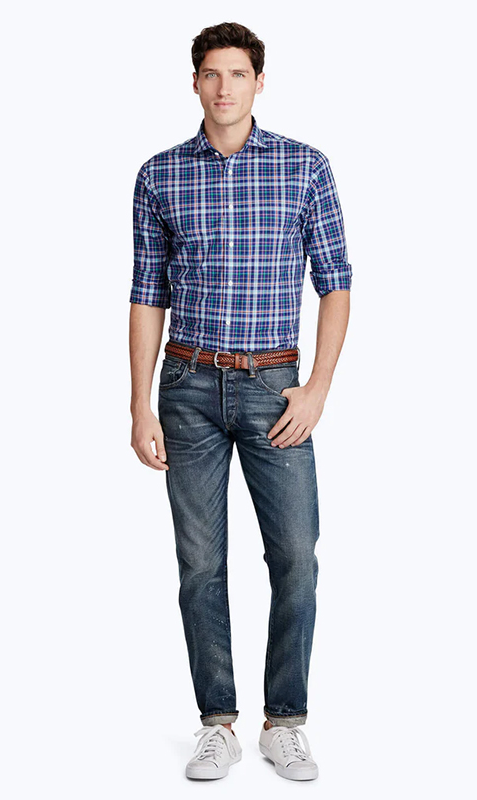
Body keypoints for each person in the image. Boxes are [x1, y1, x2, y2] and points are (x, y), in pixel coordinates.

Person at [129, 22, 351, 781]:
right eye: (211, 74)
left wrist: (316, 389)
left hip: (273, 388)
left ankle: (284, 720)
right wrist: (139, 404)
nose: (224, 88)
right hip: (187, 387)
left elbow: (336, 283)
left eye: (238, 74)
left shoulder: (304, 167)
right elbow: (146, 295)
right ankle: (216, 722)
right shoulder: (159, 175)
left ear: (260, 82)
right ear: (195, 82)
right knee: (200, 566)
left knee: (295, 558)